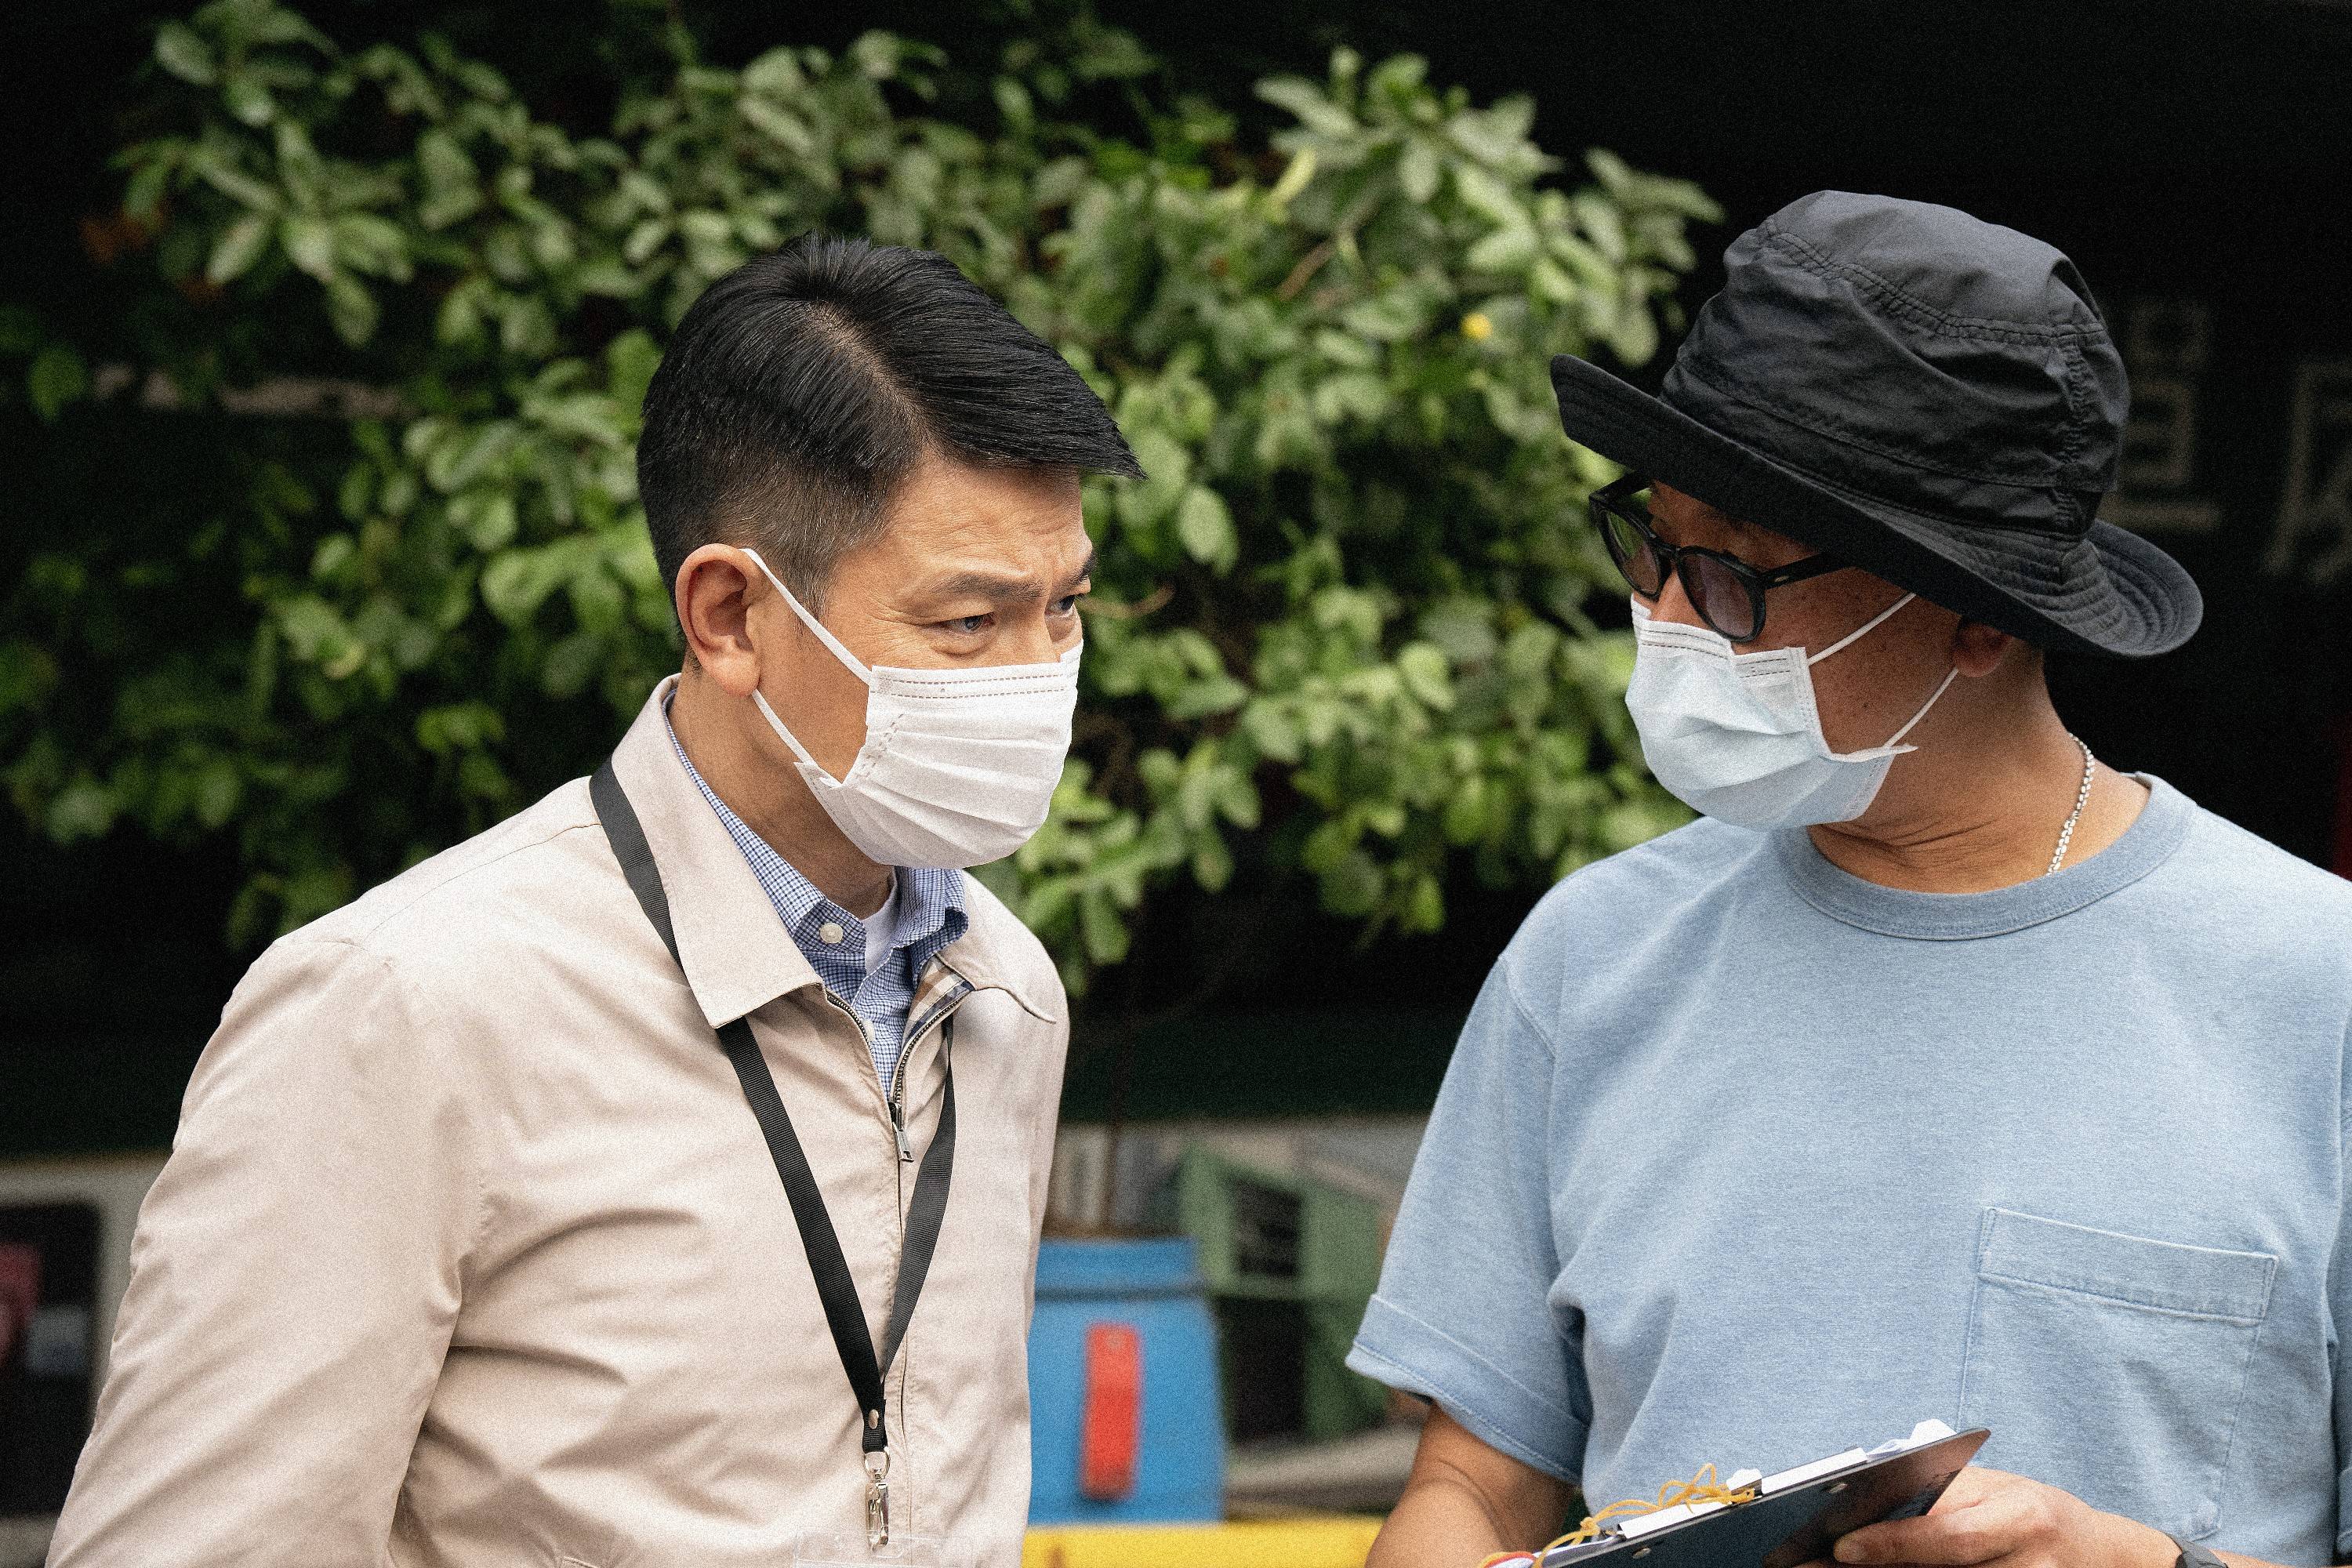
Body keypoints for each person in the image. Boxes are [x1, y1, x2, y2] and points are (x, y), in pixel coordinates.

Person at [48, 235, 1140, 1568]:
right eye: (968, 625)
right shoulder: (405, 1008)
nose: (1038, 674)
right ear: (729, 615)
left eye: (1065, 608)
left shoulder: (1003, 991)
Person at [1352, 191, 2352, 1568]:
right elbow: (1473, 1482)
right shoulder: (1593, 959)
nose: (1669, 619)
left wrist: (2142, 1561)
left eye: (1737, 578)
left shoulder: (2317, 992)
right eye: (1654, 546)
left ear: (1980, 617)